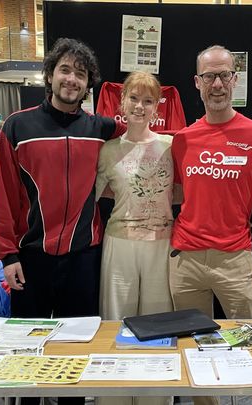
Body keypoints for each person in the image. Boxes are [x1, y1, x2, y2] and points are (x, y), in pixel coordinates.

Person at [0, 37, 125, 405]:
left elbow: (150, 141)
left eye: (80, 74)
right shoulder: (17, 127)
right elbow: (3, 195)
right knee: (27, 353)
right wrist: (7, 256)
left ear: (88, 84)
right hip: (31, 257)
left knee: (75, 350)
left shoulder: (102, 129)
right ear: (50, 75)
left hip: (83, 257)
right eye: (65, 70)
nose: (72, 80)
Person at [170, 45, 252, 405]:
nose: (217, 83)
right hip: (185, 262)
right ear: (197, 82)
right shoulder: (182, 139)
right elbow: (173, 195)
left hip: (235, 261)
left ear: (235, 79)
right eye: (209, 76)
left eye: (224, 75)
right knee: (195, 353)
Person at [96, 71, 174, 405]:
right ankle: (115, 397)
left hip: (161, 245)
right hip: (120, 244)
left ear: (157, 106)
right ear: (121, 101)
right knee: (116, 322)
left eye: (148, 100)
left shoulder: (172, 146)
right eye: (134, 98)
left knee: (159, 327)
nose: (140, 106)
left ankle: (154, 398)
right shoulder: (108, 150)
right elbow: (88, 199)